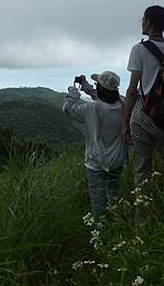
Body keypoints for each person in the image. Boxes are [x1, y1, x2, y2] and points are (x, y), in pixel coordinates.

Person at [121, 5, 164, 187]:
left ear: (149, 22)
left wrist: (125, 122)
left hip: (145, 114)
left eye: (143, 19)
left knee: (142, 170)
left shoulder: (139, 49)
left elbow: (132, 90)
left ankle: (142, 213)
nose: (141, 23)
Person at [63, 71, 128, 218]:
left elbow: (67, 109)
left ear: (100, 89)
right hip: (117, 160)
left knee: (98, 198)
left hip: (96, 162)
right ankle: (117, 222)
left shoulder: (91, 109)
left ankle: (101, 230)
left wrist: (73, 93)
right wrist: (86, 87)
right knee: (113, 192)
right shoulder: (123, 103)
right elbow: (104, 98)